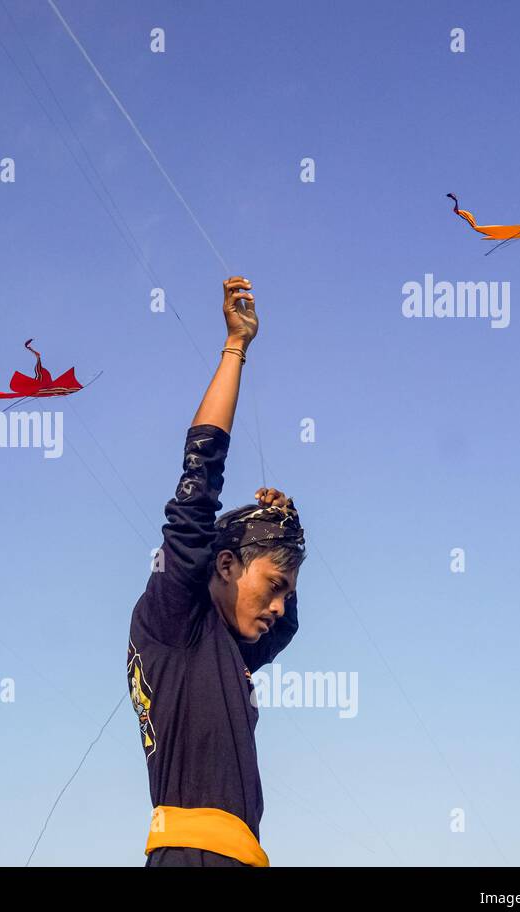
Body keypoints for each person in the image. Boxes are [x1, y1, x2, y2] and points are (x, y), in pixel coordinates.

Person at [127, 276, 307, 867]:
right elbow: (196, 489)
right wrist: (237, 346)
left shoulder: (227, 651)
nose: (279, 606)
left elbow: (283, 630)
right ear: (224, 564)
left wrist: (287, 527)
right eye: (273, 586)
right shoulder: (175, 623)